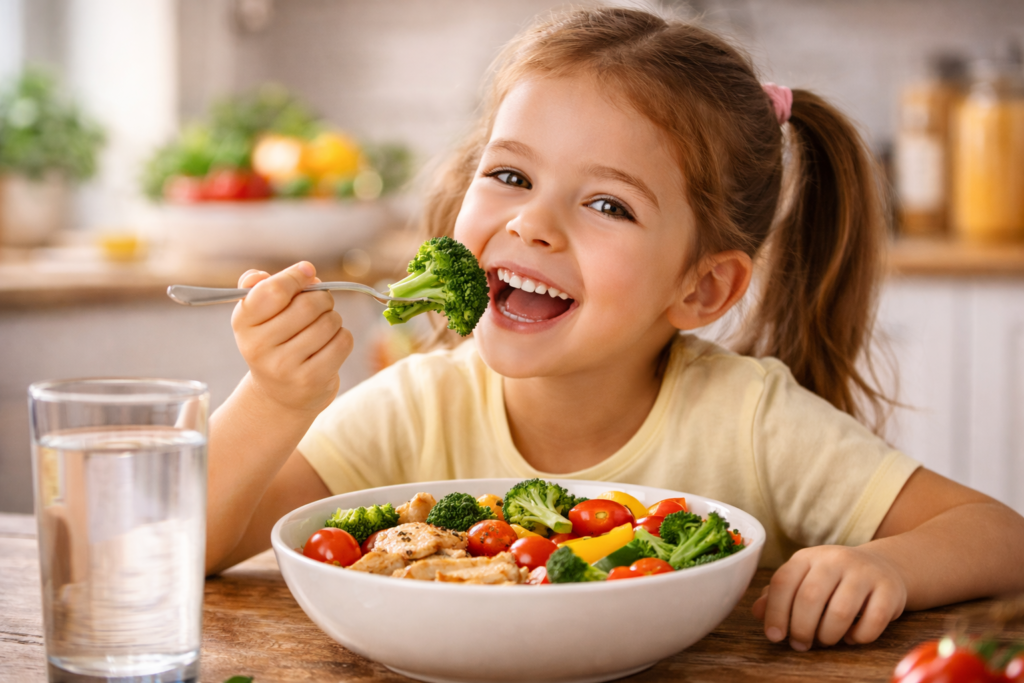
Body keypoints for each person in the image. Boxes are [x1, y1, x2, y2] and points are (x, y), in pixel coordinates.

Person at [204, 7, 1024, 652]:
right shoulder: (415, 405)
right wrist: (275, 400)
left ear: (702, 288)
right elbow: (186, 546)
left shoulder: (751, 420)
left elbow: (1000, 537)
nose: (533, 223)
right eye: (510, 174)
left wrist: (884, 564)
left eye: (608, 205)